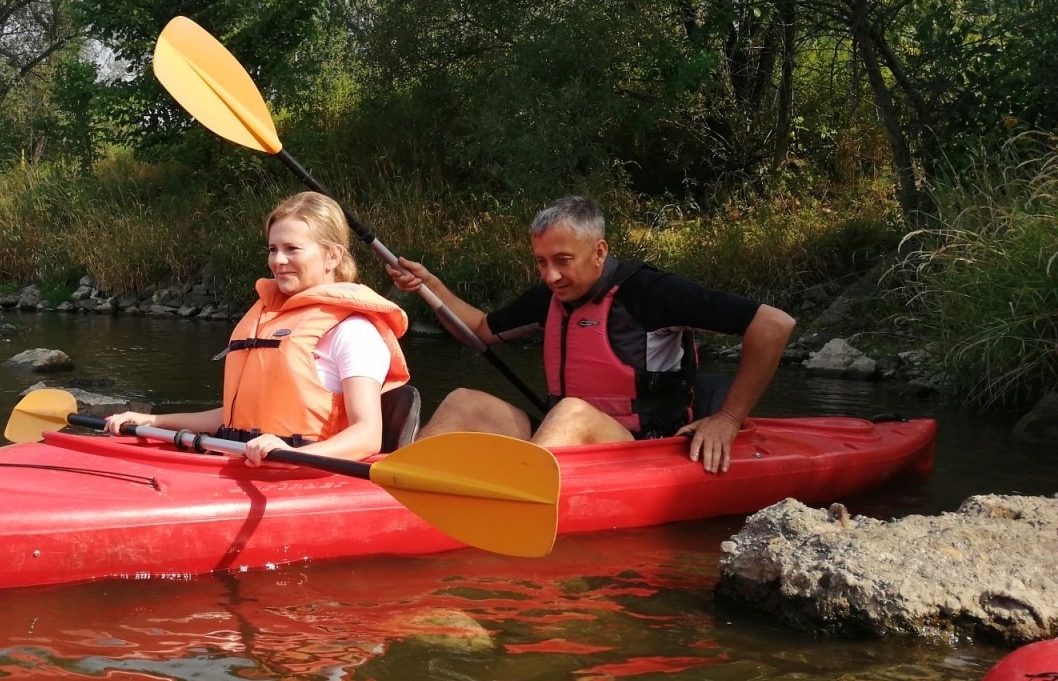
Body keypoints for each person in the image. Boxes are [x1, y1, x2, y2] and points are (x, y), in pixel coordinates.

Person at [388, 195, 795, 474]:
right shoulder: (550, 294)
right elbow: (479, 329)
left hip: (642, 449)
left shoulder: (651, 293)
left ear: (599, 252)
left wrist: (727, 419)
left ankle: (515, 494)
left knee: (572, 411)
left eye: (563, 260)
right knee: (465, 400)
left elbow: (774, 325)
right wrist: (431, 286)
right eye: (541, 262)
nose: (550, 275)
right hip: (564, 443)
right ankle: (399, 486)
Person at [106, 191, 411, 465]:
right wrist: (153, 420)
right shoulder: (268, 318)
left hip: (300, 477)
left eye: (292, 248)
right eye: (272, 249)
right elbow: (233, 418)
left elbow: (367, 435)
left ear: (333, 255)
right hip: (241, 463)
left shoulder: (353, 332)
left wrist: (291, 453)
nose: (278, 261)